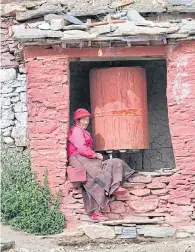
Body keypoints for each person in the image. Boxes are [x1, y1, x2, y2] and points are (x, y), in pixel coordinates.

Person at [67, 108, 137, 222]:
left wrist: (94, 155)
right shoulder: (76, 131)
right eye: (83, 120)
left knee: (115, 162)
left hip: (87, 157)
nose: (86, 122)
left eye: (87, 120)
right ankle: (96, 212)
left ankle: (114, 186)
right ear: (77, 121)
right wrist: (95, 155)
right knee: (96, 178)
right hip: (78, 158)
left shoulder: (85, 132)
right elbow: (81, 148)